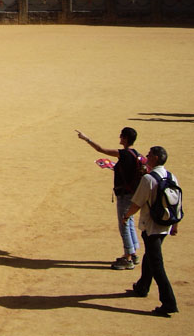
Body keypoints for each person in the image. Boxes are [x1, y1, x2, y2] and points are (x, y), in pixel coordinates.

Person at [124, 146, 180, 317]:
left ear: (155, 158)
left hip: (151, 225)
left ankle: (169, 302)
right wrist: (175, 225)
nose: (146, 156)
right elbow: (177, 202)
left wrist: (126, 216)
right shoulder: (171, 176)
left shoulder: (148, 179)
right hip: (165, 223)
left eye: (149, 154)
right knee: (150, 255)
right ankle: (142, 286)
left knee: (157, 264)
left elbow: (137, 203)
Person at [76, 127, 142, 269]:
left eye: (121, 136)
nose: (119, 138)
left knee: (124, 223)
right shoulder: (136, 154)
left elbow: (100, 149)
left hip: (124, 194)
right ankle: (133, 252)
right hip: (133, 193)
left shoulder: (123, 154)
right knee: (129, 222)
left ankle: (128, 257)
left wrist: (86, 138)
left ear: (125, 138)